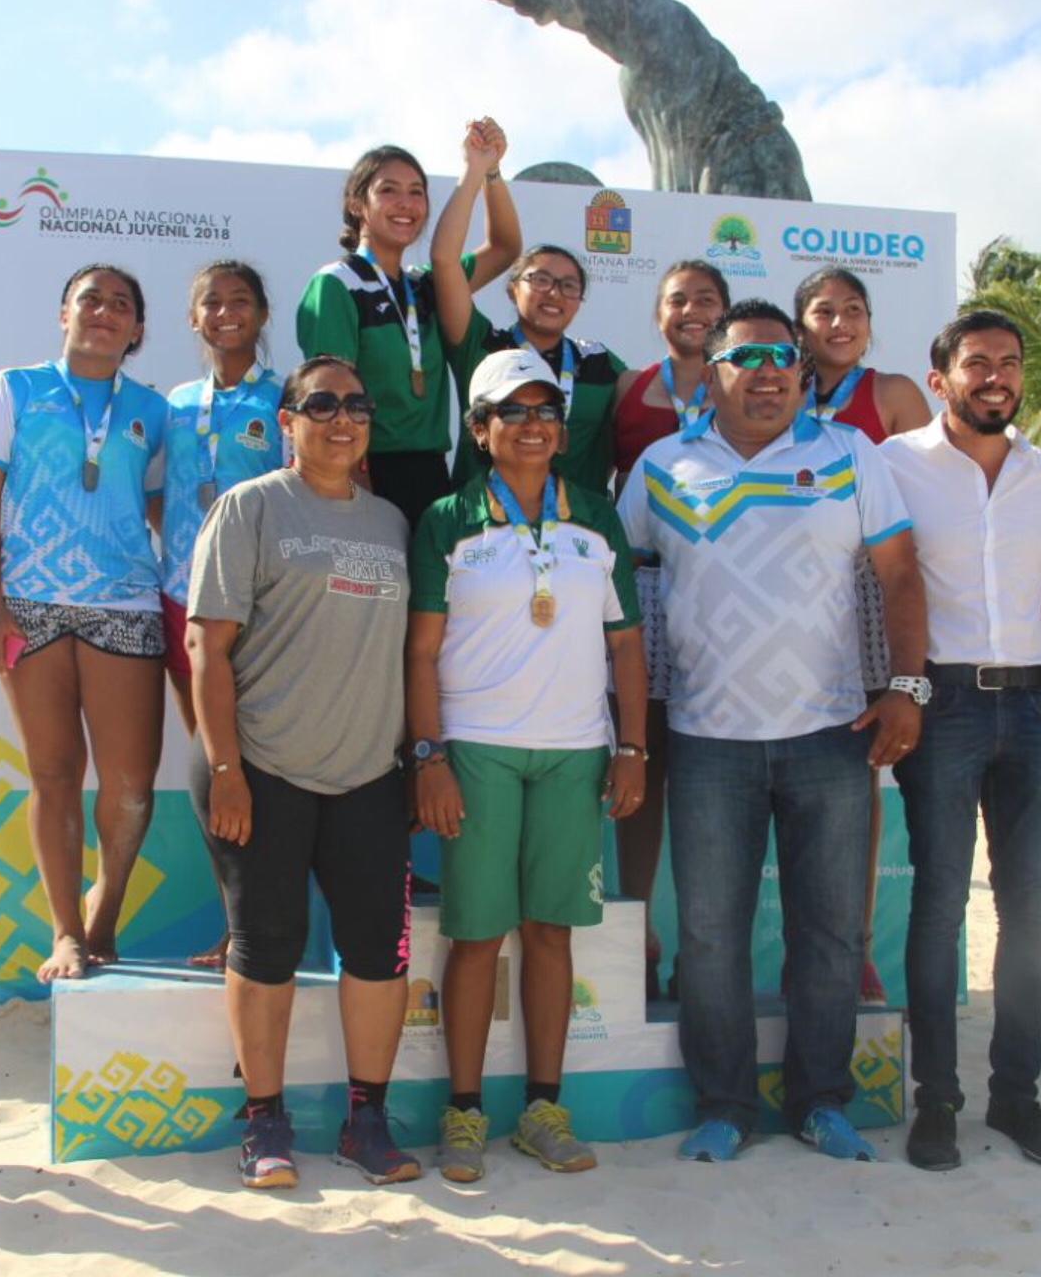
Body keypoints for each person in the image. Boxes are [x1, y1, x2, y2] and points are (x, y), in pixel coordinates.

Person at [616, 299, 929, 1164]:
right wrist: (632, 731)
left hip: (832, 735)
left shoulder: (850, 455)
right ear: (708, 372)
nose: (768, 373)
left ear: (801, 371)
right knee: (711, 934)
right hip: (708, 740)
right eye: (745, 358)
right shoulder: (660, 467)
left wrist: (906, 686)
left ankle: (820, 1100)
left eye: (782, 357)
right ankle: (724, 1104)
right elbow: (617, 603)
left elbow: (900, 576)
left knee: (829, 931)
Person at [407, 349, 647, 1182]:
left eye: (548, 410)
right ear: (480, 430)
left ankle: (544, 1108)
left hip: (576, 754)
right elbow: (421, 651)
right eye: (514, 411)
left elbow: (627, 648)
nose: (536, 424)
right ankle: (465, 1113)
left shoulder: (599, 517)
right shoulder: (447, 518)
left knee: (549, 933)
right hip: (476, 750)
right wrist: (429, 757)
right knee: (475, 937)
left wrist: (630, 746)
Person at [879, 311, 1041, 1172]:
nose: (996, 377)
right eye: (978, 363)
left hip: (1034, 711)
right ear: (940, 380)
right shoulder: (894, 464)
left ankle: (1017, 1098)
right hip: (943, 706)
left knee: (1032, 912)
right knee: (939, 907)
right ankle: (935, 1102)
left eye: (1009, 364)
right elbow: (876, 581)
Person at [187, 355, 419, 1190]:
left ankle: (367, 1121)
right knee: (267, 946)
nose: (342, 417)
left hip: (367, 777)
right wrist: (226, 769)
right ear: (286, 421)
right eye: (320, 403)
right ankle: (265, 1123)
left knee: (378, 957)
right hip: (264, 769)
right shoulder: (249, 509)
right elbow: (205, 646)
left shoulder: (393, 522)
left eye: (357, 404)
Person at [0, 263, 169, 982]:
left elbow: (167, 512)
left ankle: (103, 916)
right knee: (52, 774)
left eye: (121, 305)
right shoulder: (11, 390)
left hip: (126, 603)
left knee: (131, 788)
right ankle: (67, 934)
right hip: (30, 604)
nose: (104, 312)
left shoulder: (154, 410)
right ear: (63, 313)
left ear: (138, 329)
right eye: (90, 299)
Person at [793, 266, 934, 1008]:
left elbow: (926, 504)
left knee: (859, 774)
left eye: (854, 310)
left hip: (872, 597)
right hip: (793, 594)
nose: (840, 323)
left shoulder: (896, 394)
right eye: (824, 311)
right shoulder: (774, 390)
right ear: (800, 325)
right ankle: (799, 950)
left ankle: (856, 947)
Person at [607, 260, 730, 1000]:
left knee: (711, 776)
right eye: (679, 299)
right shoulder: (627, 388)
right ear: (657, 314)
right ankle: (639, 936)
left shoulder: (749, 385)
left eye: (707, 299)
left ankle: (702, 952)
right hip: (645, 586)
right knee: (641, 765)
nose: (693, 310)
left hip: (723, 590)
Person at [162, 261, 286, 972]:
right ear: (193, 317)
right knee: (218, 770)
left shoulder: (284, 400)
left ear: (263, 314)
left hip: (261, 611)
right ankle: (234, 928)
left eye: (241, 301)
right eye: (212, 301)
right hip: (184, 601)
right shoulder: (174, 404)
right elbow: (160, 498)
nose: (226, 312)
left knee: (266, 774)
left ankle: (266, 929)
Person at [296, 133, 520, 528]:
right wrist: (353, 491)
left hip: (432, 476)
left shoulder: (425, 285)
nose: (406, 203)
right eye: (389, 191)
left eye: (417, 192)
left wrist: (488, 171)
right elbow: (330, 402)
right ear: (356, 204)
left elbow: (504, 247)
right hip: (365, 472)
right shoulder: (337, 284)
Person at [432, 126, 621, 495]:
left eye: (569, 285)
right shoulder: (482, 345)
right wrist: (484, 172)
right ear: (511, 288)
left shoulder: (601, 362)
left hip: (575, 532)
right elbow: (445, 261)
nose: (554, 293)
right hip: (482, 527)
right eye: (541, 280)